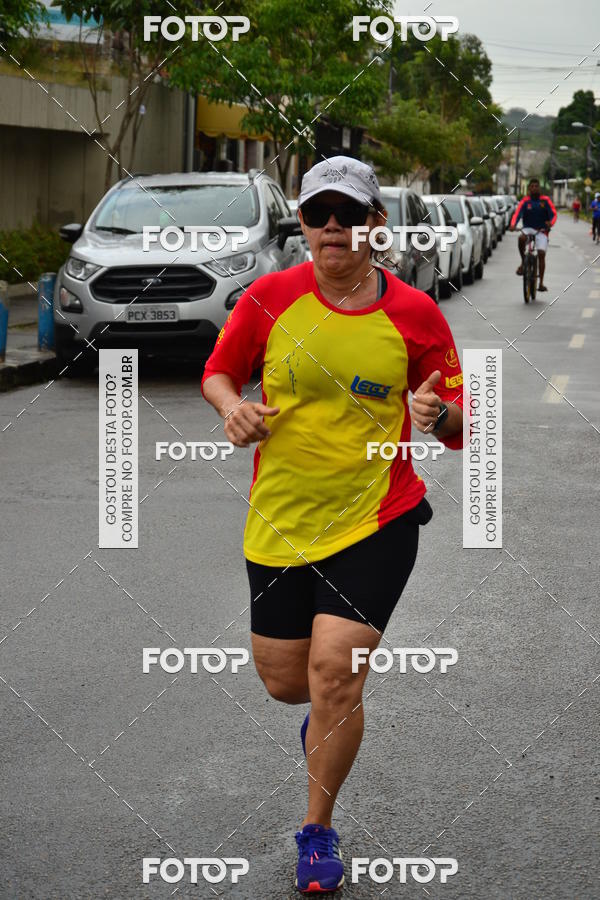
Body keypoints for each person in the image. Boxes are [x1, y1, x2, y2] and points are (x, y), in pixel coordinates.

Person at [201, 156, 464, 894]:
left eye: (349, 215)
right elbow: (218, 372)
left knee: (335, 675)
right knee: (289, 684)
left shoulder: (415, 314)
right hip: (282, 520)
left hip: (378, 518)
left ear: (376, 225)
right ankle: (321, 723)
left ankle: (317, 829)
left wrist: (436, 413)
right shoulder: (270, 298)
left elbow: (460, 424)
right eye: (319, 215)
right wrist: (232, 408)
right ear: (304, 225)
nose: (333, 229)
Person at [510, 178, 557, 292]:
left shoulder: (545, 200)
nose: (534, 188)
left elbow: (553, 214)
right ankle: (523, 261)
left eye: (536, 186)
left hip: (542, 230)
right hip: (528, 229)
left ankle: (540, 283)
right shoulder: (525, 201)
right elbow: (517, 214)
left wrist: (550, 223)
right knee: (521, 238)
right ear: (529, 188)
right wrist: (513, 225)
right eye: (532, 186)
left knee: (541, 254)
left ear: (539, 188)